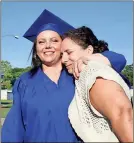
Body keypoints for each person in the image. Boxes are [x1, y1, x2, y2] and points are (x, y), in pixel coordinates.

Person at [2, 9, 127, 142]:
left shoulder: (77, 74)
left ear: (62, 46)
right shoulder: (24, 81)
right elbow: (15, 128)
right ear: (36, 49)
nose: (47, 46)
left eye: (54, 40)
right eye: (41, 42)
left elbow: (118, 60)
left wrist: (96, 57)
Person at [61, 26, 133, 142]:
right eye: (61, 54)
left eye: (69, 52)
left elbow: (122, 113)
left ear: (89, 51)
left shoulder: (91, 70)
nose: (63, 59)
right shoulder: (77, 73)